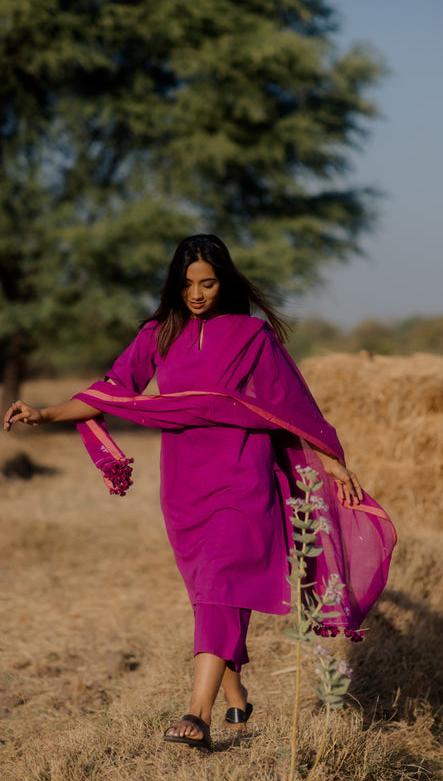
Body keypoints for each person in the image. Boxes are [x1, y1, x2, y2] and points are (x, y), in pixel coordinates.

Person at [3, 234, 395, 752]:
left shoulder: (254, 337)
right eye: (187, 284)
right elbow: (110, 389)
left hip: (243, 472)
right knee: (209, 591)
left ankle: (197, 713)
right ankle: (234, 688)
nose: (196, 294)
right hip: (184, 482)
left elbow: (291, 406)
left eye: (207, 283)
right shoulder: (158, 334)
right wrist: (46, 413)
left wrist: (331, 460)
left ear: (225, 282)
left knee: (219, 580)